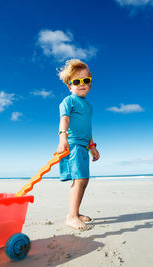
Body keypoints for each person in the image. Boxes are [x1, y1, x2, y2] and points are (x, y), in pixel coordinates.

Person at [56, 59, 100, 230]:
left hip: (83, 146)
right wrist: (62, 138)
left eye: (86, 80)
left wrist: (92, 146)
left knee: (84, 180)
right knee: (79, 179)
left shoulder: (88, 106)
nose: (82, 84)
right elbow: (64, 119)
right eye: (76, 81)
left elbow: (88, 128)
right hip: (73, 145)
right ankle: (71, 216)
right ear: (70, 86)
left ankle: (76, 212)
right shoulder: (69, 101)